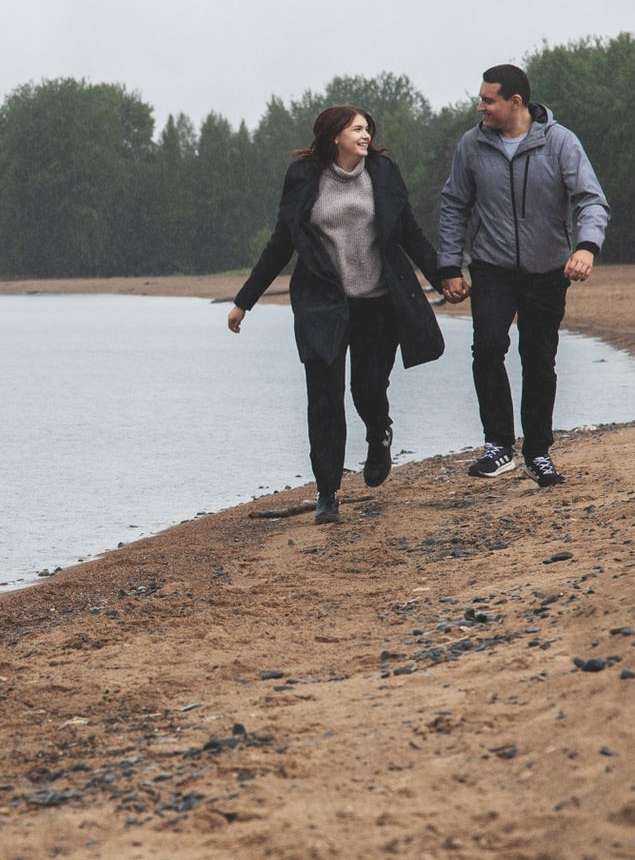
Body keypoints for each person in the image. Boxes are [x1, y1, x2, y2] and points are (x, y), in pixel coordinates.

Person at [228, 105, 458, 524]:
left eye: (368, 128)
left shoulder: (383, 172)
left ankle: (378, 432)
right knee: (324, 400)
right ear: (335, 136)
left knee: (368, 388)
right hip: (322, 305)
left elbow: (409, 232)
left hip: (378, 302)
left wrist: (444, 276)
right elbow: (283, 241)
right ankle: (327, 492)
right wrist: (245, 300)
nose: (366, 134)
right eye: (357, 129)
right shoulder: (303, 176)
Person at [437, 63, 610, 487]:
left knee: (538, 359)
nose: (480, 107)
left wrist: (586, 248)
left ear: (515, 102)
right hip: (491, 267)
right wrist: (448, 266)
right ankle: (498, 446)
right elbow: (453, 204)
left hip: (547, 270)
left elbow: (591, 200)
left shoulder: (560, 142)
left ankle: (537, 452)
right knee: (488, 347)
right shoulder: (471, 145)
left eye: (488, 99)